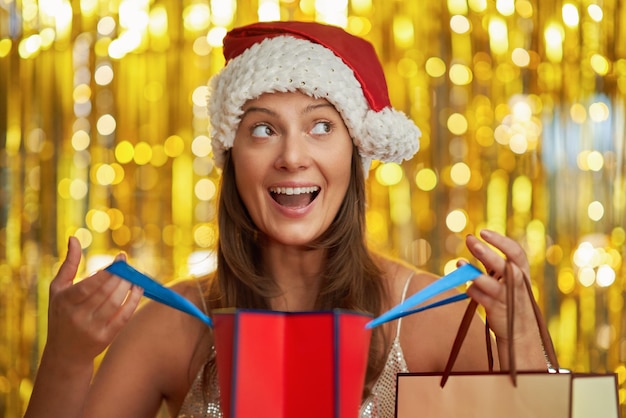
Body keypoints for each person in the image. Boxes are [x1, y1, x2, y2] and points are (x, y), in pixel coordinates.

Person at [24, 21, 548, 418]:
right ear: (232, 159)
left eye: (321, 126)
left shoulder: (434, 318)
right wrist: (67, 357)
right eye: (262, 130)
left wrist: (522, 343)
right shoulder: (172, 324)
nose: (293, 157)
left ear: (355, 153)